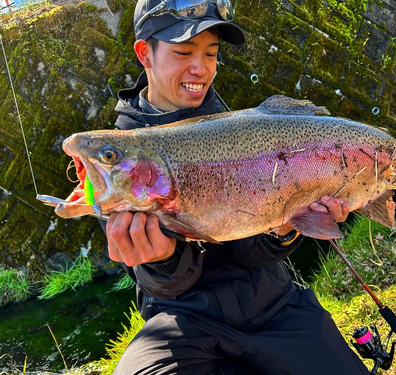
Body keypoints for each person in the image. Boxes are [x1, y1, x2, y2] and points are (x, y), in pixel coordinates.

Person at [105, 0, 371, 374]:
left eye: (211, 53)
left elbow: (252, 255)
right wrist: (161, 259)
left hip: (273, 303)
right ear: (144, 53)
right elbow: (164, 288)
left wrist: (287, 224)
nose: (201, 68)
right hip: (181, 322)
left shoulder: (243, 130)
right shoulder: (118, 158)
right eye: (183, 52)